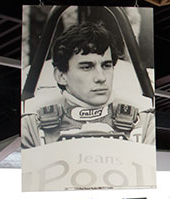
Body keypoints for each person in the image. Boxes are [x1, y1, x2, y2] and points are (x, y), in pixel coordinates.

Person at [21, 21, 155, 148]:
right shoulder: (32, 127)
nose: (101, 78)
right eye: (86, 67)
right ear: (61, 76)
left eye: (106, 65)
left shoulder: (144, 124)